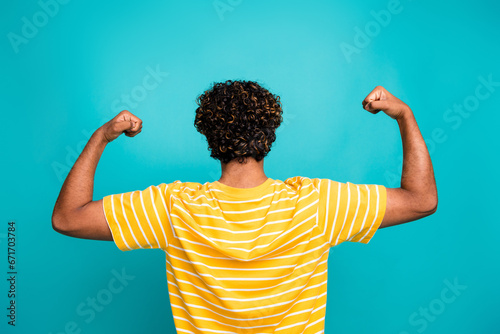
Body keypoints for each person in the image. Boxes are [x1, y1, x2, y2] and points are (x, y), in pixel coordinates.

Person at [52, 80, 437, 333]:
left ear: (208, 136)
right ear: (271, 133)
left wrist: (102, 137)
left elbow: (68, 219)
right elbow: (421, 201)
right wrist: (404, 115)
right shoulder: (316, 203)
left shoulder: (174, 206)